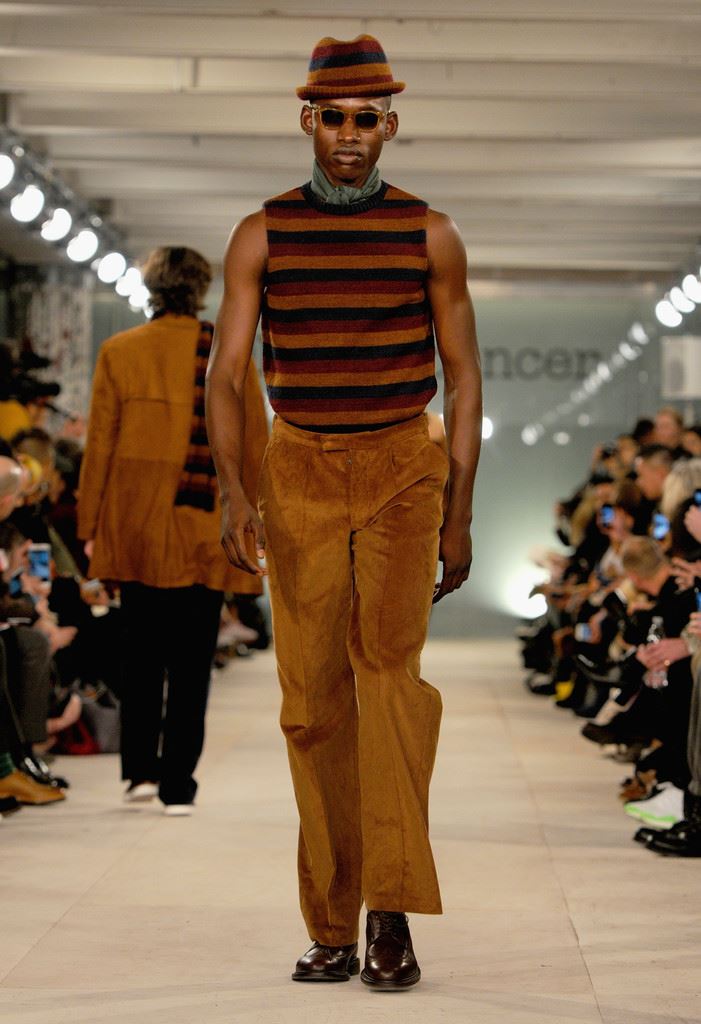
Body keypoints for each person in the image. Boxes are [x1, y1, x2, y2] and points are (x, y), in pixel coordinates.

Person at [206, 34, 482, 989]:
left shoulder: (430, 233)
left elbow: (465, 376)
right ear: (308, 121)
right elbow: (226, 374)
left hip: (405, 463)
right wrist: (237, 490)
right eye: (334, 117)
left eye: (368, 118)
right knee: (311, 702)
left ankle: (389, 912)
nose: (350, 134)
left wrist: (458, 511)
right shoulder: (262, 233)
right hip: (301, 470)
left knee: (389, 681)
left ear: (389, 126)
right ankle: (330, 919)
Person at [78, 246, 268, 815]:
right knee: (191, 664)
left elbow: (99, 446)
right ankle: (177, 784)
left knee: (139, 657)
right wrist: (258, 522)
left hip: (135, 526)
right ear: (202, 288)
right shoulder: (227, 355)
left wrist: (91, 527)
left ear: (152, 288)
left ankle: (140, 772)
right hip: (205, 527)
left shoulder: (120, 351)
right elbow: (255, 443)